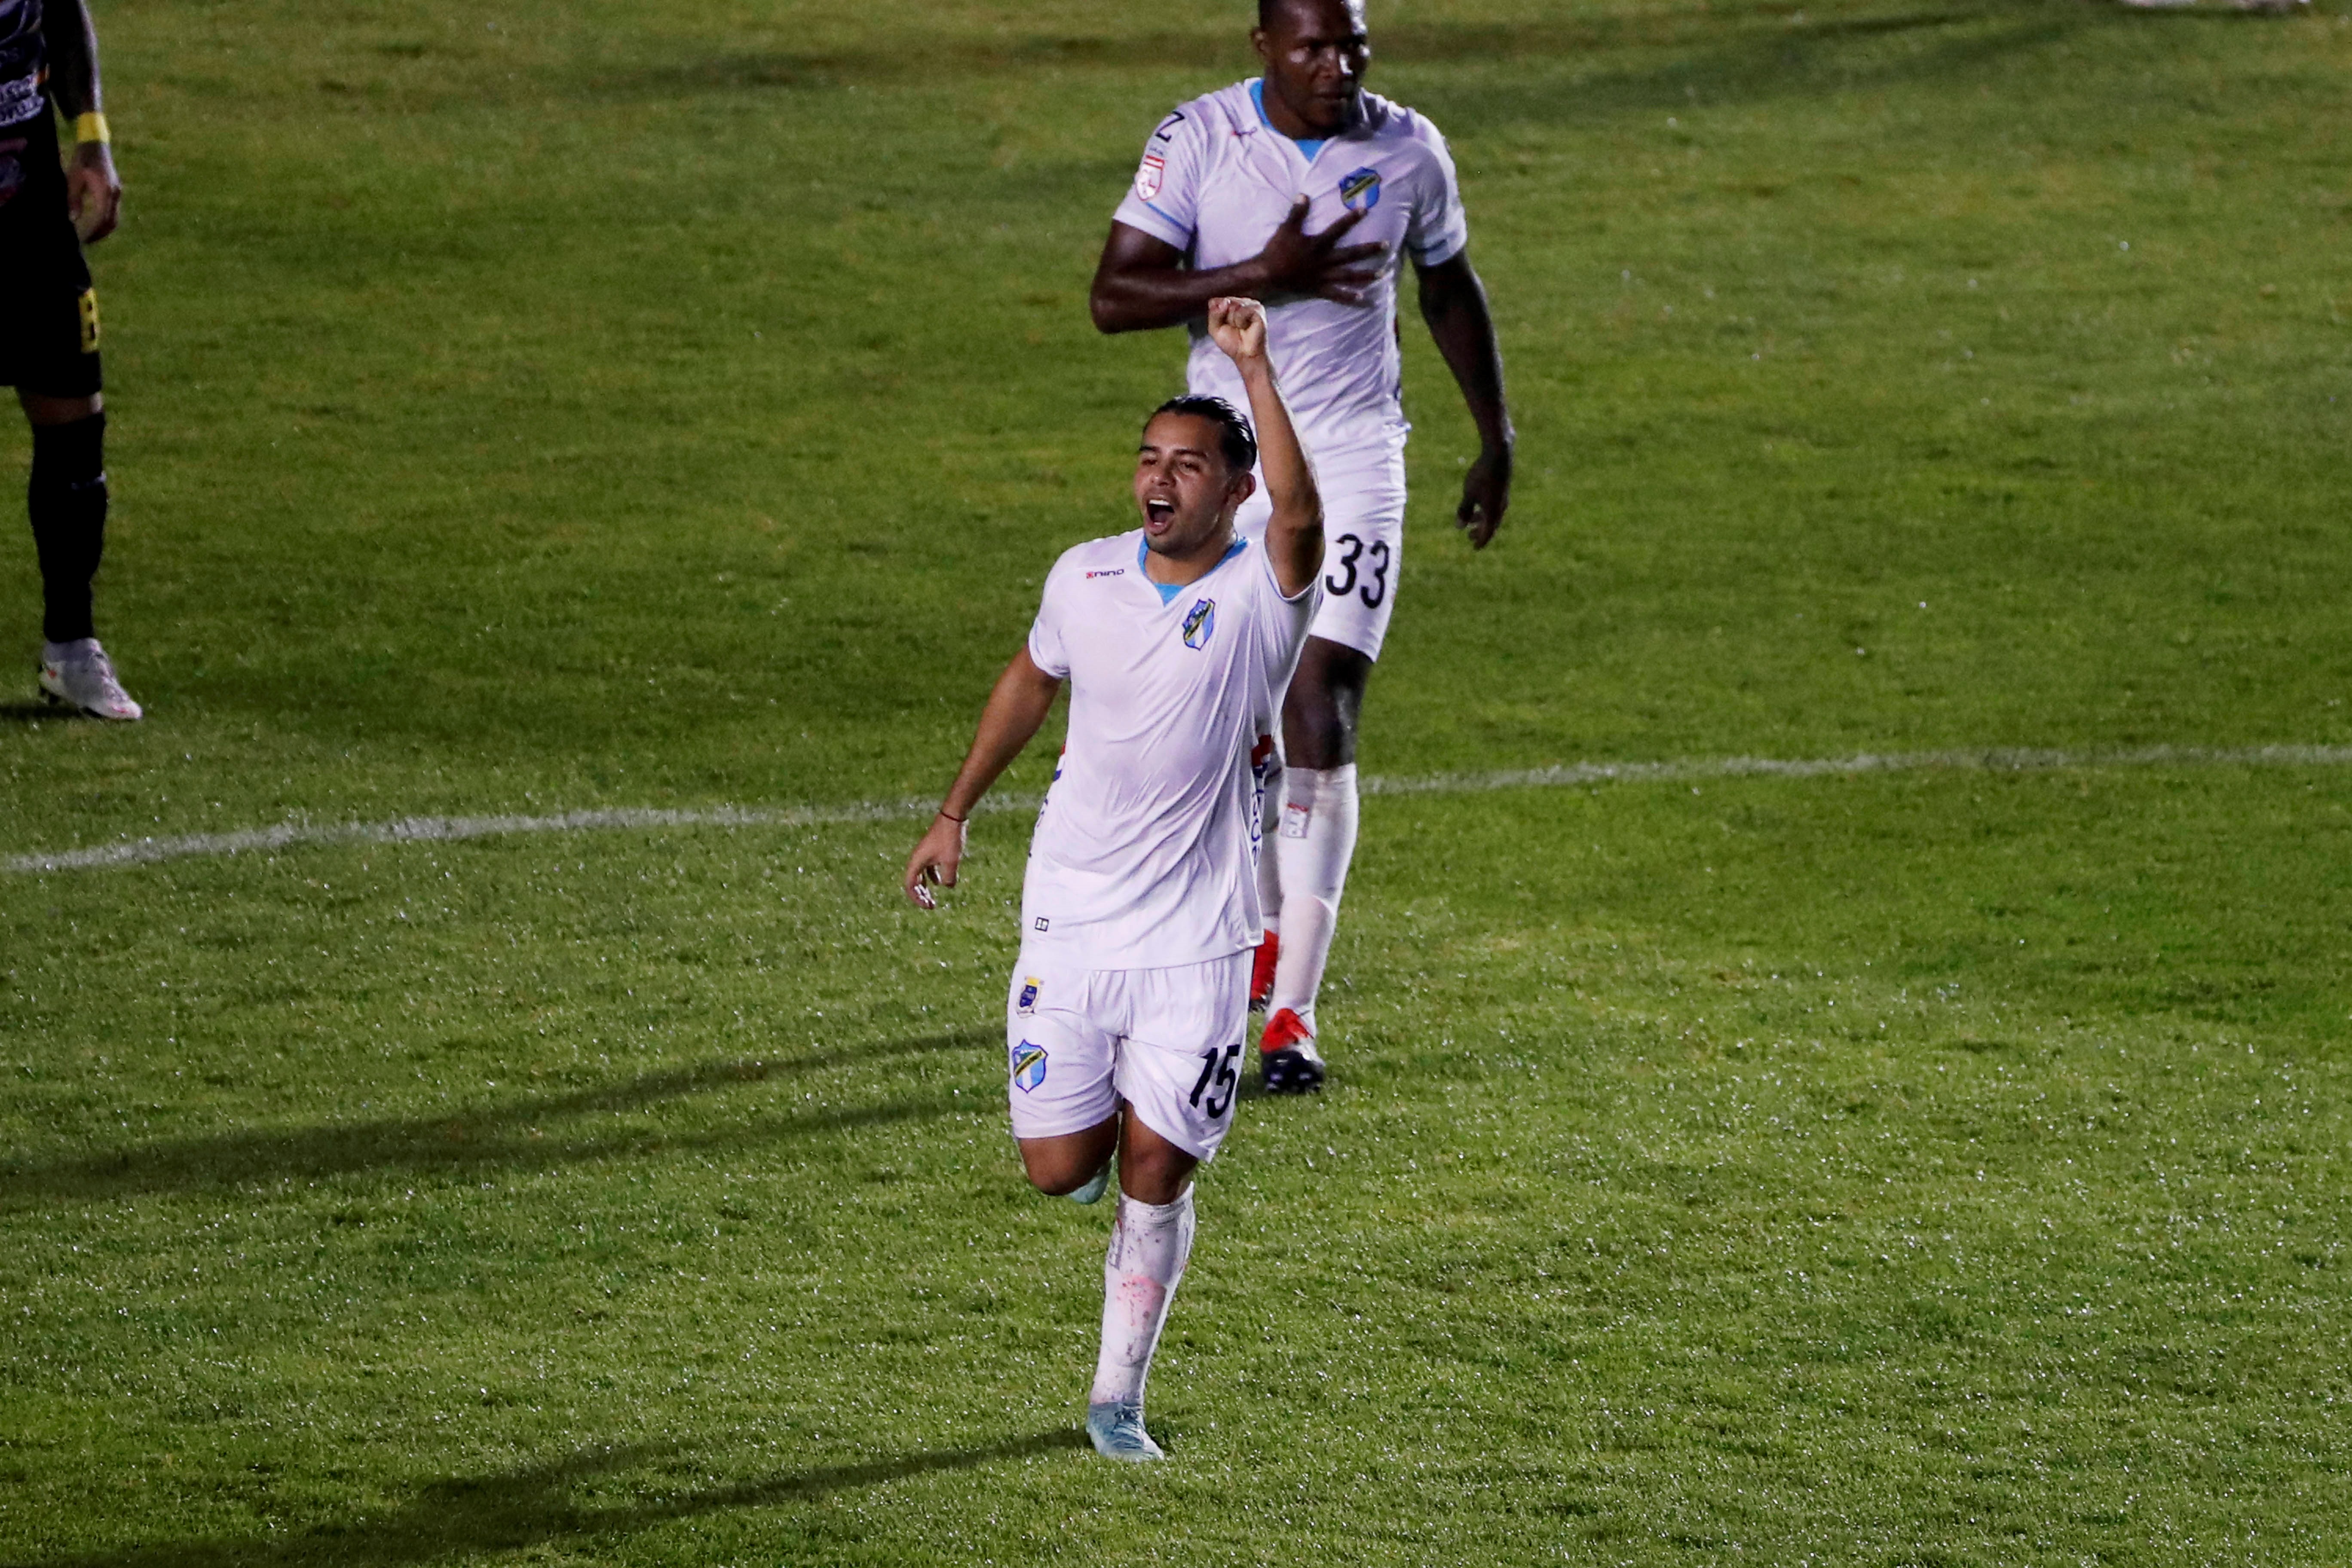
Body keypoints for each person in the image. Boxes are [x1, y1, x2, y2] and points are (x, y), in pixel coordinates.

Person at [902, 296, 1321, 1462]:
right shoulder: (1083, 577)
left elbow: (1303, 515)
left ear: (1232, 490)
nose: (1160, 479)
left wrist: (1257, 367)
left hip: (1199, 941)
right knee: (1057, 1170)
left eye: (1190, 465)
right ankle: (1095, 1150)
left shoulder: (1258, 596)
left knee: (1156, 1172)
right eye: (1149, 459)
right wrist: (953, 815)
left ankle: (1114, 1400)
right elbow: (1031, 682)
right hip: (1073, 924)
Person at [1089, 0, 1513, 1093]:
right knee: (1229, 712)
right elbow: (1114, 295)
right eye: (1315, 46)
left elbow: (1446, 285)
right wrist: (1257, 278)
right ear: (1265, 49)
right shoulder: (1197, 141)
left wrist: (1494, 438)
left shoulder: (1410, 149)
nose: (1339, 66)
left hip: (1359, 454)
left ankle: (1292, 1017)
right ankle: (1238, 944)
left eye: (1354, 45)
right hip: (1229, 456)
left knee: (1319, 698)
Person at [3, 0, 134, 719]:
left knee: (75, 432)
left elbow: (60, 6)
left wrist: (91, 139)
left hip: (26, 214)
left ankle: (72, 650)